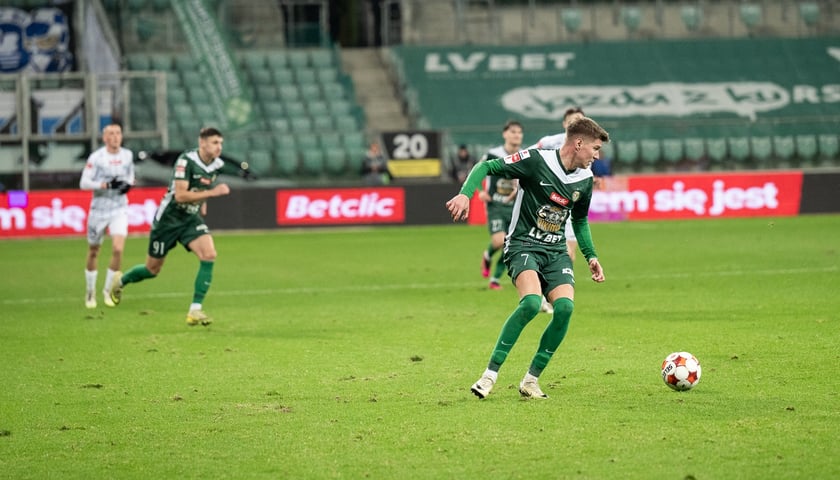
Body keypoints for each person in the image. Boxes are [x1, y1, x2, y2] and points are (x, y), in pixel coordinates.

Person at [445, 116, 609, 399]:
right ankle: (489, 375)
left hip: (556, 251)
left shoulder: (585, 178)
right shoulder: (536, 160)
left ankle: (531, 380)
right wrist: (465, 194)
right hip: (523, 245)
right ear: (578, 143)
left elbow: (580, 220)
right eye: (595, 148)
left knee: (566, 309)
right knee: (532, 303)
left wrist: (591, 256)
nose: (597, 155)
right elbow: (485, 166)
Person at [109, 127, 231, 326]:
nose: (219, 147)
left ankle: (195, 310)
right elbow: (181, 195)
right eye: (215, 143)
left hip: (190, 219)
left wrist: (204, 203)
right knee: (152, 269)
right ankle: (121, 281)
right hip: (169, 220)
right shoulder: (186, 161)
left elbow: (203, 185)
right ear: (202, 143)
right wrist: (212, 194)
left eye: (221, 143)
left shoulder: (217, 164)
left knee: (209, 254)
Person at [79, 123, 134, 309]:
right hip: (99, 210)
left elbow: (130, 176)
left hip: (119, 208)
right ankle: (90, 291)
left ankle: (107, 290)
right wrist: (106, 185)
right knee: (94, 250)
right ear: (104, 138)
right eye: (111, 133)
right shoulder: (97, 158)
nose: (115, 137)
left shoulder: (127, 155)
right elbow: (84, 183)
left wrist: (128, 185)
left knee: (118, 249)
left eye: (118, 133)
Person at [529, 107, 586, 261]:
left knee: (569, 256)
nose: (576, 124)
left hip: (571, 206)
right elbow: (526, 157)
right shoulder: (550, 142)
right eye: (572, 121)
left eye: (580, 121)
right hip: (549, 205)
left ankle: (558, 283)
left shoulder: (588, 146)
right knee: (550, 252)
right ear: (564, 124)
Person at [478, 120, 522, 291]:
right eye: (513, 132)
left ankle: (495, 279)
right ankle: (488, 254)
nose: (516, 135)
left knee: (510, 245)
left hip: (515, 207)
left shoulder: (524, 155)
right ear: (505, 134)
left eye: (519, 132)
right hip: (495, 204)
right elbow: (476, 170)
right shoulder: (493, 154)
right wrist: (479, 191)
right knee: (499, 241)